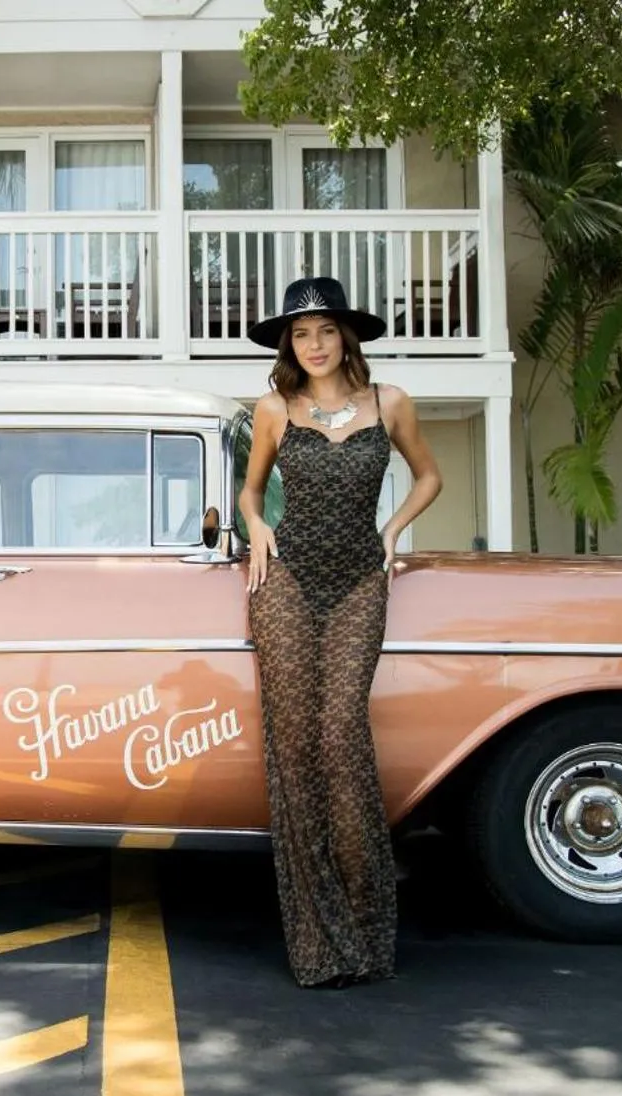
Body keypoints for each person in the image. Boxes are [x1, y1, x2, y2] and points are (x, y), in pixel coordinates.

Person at [237, 276, 443, 988]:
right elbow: (251, 487)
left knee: (340, 734)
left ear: (345, 336)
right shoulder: (273, 408)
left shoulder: (390, 402)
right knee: (292, 745)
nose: (314, 344)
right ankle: (316, 940)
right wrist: (256, 524)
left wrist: (392, 531)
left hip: (359, 579)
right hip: (285, 581)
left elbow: (427, 476)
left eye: (324, 331)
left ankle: (363, 926)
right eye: (301, 333)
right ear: (288, 345)